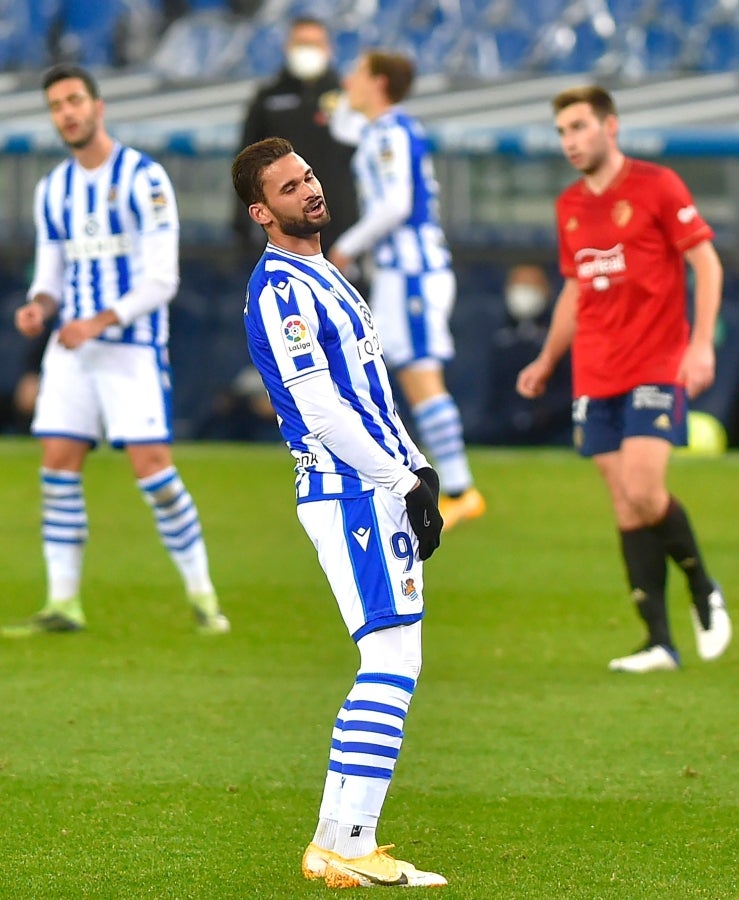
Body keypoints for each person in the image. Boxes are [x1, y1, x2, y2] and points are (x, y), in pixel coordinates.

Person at [232, 136, 447, 888]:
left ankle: (337, 841)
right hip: (349, 488)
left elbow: (369, 396)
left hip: (373, 481)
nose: (310, 190)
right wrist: (400, 480)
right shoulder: (281, 289)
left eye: (309, 176)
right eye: (289, 188)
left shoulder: (326, 274)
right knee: (389, 659)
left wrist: (417, 466)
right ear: (262, 212)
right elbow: (321, 409)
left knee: (394, 657)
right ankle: (350, 843)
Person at [3, 63, 229, 637]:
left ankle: (204, 597)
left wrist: (98, 321)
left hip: (131, 348)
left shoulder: (144, 178)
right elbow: (50, 276)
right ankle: (63, 603)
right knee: (57, 467)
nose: (67, 113)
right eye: (57, 106)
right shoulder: (53, 188)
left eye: (75, 100)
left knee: (154, 475)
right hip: (72, 351)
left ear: (98, 106)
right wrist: (38, 307)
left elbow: (162, 279)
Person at [516, 85, 732, 673]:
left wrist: (701, 344)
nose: (570, 141)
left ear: (610, 127)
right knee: (625, 502)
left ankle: (703, 587)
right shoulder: (569, 206)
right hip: (595, 369)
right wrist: (547, 360)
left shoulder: (657, 185)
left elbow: (706, 262)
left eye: (579, 127)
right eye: (563, 132)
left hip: (656, 361)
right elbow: (575, 288)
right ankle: (659, 642)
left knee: (643, 488)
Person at [327, 50, 485, 531]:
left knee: (420, 373)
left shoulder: (390, 133)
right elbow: (341, 128)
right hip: (398, 272)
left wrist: (346, 247)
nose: (348, 79)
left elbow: (396, 204)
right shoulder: (382, 129)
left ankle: (459, 489)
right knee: (404, 374)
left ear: (377, 82)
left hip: (412, 270)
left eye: (357, 72)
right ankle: (436, 482)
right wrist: (340, 102)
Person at [232, 16, 360, 261]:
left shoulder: (347, 98)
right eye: (302, 43)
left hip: (339, 226)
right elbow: (245, 165)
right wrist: (243, 225)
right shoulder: (268, 98)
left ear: (329, 49)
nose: (308, 50)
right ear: (287, 47)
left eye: (315, 44)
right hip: (283, 228)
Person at [483, 264, 572, 446]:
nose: (523, 292)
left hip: (557, 429)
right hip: (505, 429)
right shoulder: (500, 336)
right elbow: (493, 392)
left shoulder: (559, 334)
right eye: (518, 285)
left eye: (530, 286)